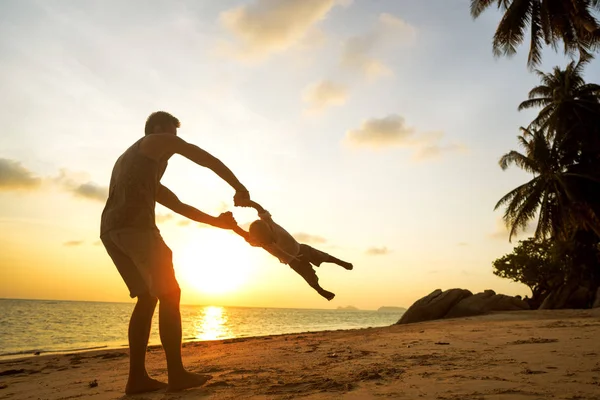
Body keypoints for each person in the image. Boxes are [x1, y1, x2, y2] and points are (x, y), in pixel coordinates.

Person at [100, 111, 251, 394]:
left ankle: (137, 379)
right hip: (136, 229)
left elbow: (180, 207)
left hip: (111, 232)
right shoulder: (153, 141)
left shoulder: (139, 168)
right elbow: (204, 158)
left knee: (147, 299)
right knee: (171, 294)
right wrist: (239, 187)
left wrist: (219, 223)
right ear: (156, 130)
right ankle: (177, 375)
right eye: (172, 136)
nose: (173, 145)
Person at [232, 201, 353, 301]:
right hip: (294, 262)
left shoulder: (269, 223)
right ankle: (320, 290)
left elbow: (260, 209)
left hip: (301, 249)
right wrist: (233, 226)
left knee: (323, 256)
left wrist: (249, 203)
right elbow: (244, 235)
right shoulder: (261, 242)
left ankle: (341, 263)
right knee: (309, 277)